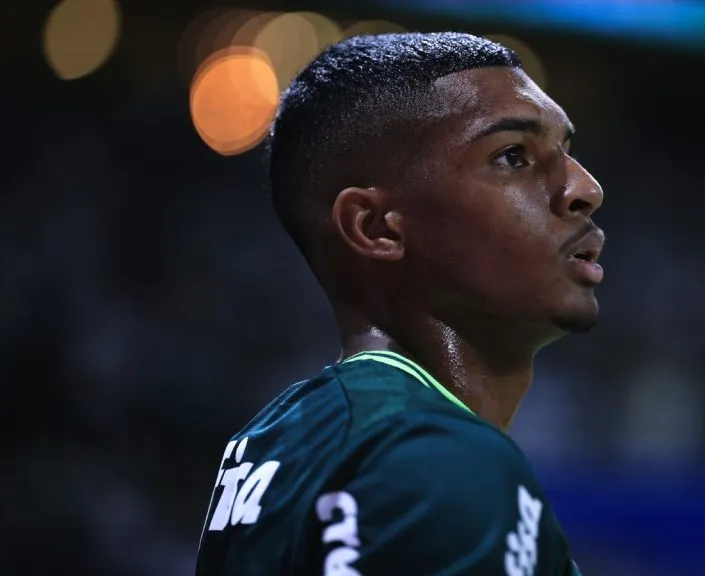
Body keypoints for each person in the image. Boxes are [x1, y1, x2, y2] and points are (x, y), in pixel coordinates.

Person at [195, 31, 605, 576]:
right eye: (512, 156)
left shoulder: (271, 438)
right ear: (376, 227)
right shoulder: (442, 458)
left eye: (568, 153)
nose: (585, 188)